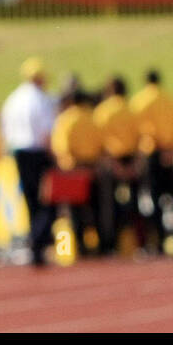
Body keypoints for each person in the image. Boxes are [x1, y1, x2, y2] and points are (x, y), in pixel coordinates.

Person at [0, 57, 57, 266]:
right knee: (47, 202)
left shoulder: (13, 99)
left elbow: (5, 130)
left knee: (31, 201)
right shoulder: (41, 100)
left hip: (19, 154)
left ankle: (36, 245)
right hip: (38, 154)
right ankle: (37, 241)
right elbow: (46, 132)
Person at [131, 69, 173, 255]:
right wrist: (171, 149)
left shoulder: (140, 101)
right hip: (170, 154)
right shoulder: (171, 100)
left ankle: (160, 242)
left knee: (155, 199)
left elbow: (139, 130)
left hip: (152, 154)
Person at [50, 88, 105, 258]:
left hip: (73, 169)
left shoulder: (65, 119)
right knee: (95, 208)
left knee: (75, 211)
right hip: (93, 167)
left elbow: (61, 147)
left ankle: (81, 246)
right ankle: (99, 245)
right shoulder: (94, 117)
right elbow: (102, 143)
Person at [93, 76, 143, 255]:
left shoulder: (102, 111)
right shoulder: (132, 109)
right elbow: (141, 137)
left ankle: (110, 244)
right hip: (131, 159)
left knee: (108, 205)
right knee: (136, 203)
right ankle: (140, 242)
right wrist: (135, 163)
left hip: (110, 161)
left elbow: (99, 141)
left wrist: (114, 165)